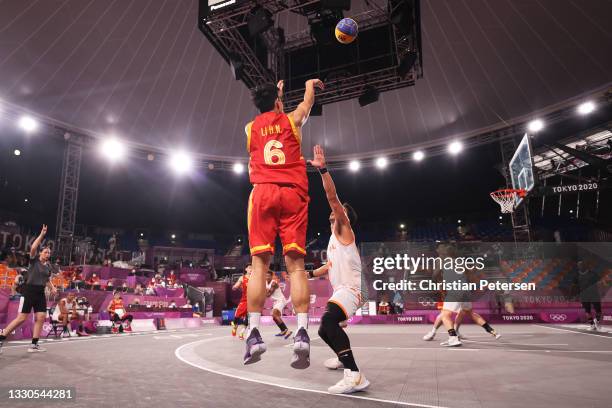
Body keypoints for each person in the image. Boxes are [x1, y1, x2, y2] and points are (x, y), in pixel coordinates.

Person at [243, 78, 324, 368]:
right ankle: (301, 332)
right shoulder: (292, 120)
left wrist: (274, 95)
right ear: (279, 101)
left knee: (259, 266)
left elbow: (267, 123)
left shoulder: (250, 128)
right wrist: (308, 86)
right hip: (292, 194)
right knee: (296, 267)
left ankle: (253, 334)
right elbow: (308, 104)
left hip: (263, 193)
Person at [308, 145, 370, 394]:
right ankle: (343, 361)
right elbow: (329, 266)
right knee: (325, 329)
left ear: (343, 216)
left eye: (337, 212)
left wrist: (323, 169)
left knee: (328, 321)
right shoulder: (334, 240)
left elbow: (332, 198)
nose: (332, 213)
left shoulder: (344, 230)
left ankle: (354, 374)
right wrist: (309, 274)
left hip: (353, 289)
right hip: (344, 288)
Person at [423, 243, 501, 346]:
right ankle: (492, 331)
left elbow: (434, 275)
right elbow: (469, 274)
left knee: (445, 315)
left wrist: (439, 278)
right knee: (470, 313)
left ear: (446, 253)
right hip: (465, 292)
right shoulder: (461, 262)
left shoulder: (442, 261)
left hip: (455, 291)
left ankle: (453, 338)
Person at [0, 225, 57, 353]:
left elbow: (47, 280)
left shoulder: (48, 267)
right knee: (22, 318)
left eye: (49, 252)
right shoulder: (34, 260)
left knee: (41, 317)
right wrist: (42, 235)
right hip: (30, 291)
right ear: (40, 253)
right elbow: (33, 247)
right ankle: (1, 338)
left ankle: (34, 345)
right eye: (46, 252)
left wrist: (52, 287)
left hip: (40, 293)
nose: (48, 254)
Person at [575, 260, 602, 331]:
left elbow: (599, 283)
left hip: (594, 294)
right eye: (579, 265)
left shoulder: (593, 274)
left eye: (582, 265)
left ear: (585, 266)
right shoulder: (577, 275)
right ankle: (592, 325)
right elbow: (575, 286)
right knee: (587, 311)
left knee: (598, 311)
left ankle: (596, 321)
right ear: (578, 267)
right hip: (584, 295)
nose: (580, 266)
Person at [266, 270, 292, 339]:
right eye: (266, 275)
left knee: (275, 314)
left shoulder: (273, 283)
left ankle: (287, 330)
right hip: (276, 301)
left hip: (281, 300)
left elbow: (268, 295)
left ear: (271, 277)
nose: (267, 277)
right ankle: (283, 330)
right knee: (274, 317)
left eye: (268, 276)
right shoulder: (265, 283)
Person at [231, 265, 251, 340]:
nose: (251, 269)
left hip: (252, 301)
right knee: (237, 316)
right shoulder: (242, 278)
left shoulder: (254, 278)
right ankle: (235, 326)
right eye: (249, 268)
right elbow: (236, 285)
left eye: (252, 268)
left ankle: (241, 333)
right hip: (244, 300)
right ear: (246, 269)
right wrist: (235, 287)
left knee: (248, 319)